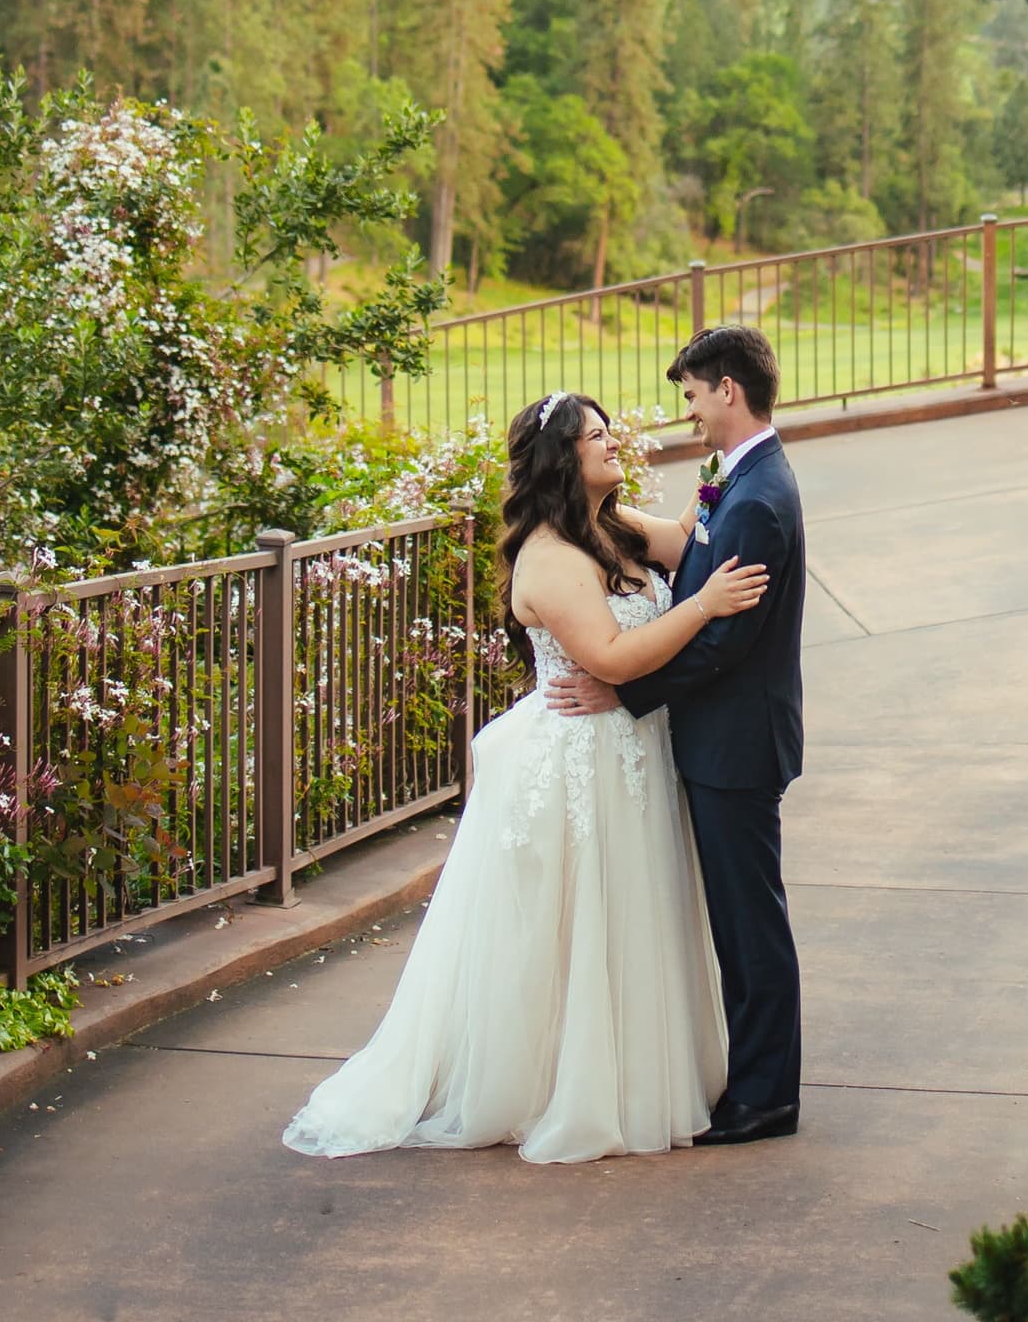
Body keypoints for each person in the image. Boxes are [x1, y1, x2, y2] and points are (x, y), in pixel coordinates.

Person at [282, 391, 770, 1164]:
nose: (614, 443)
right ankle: (560, 1088)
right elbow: (609, 659)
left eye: (611, 432)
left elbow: (681, 540)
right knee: (577, 925)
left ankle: (635, 1074)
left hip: (631, 754)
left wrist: (722, 462)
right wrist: (705, 606)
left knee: (632, 914)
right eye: (597, 437)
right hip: (582, 760)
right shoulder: (549, 555)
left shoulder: (612, 527)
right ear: (561, 460)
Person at [544, 323, 807, 1146]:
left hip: (737, 746)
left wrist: (625, 692)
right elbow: (687, 562)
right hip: (723, 741)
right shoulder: (740, 480)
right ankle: (757, 1081)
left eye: (692, 394)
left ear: (727, 389)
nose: (688, 411)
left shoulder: (759, 499)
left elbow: (728, 641)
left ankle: (766, 1096)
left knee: (748, 923)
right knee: (736, 920)